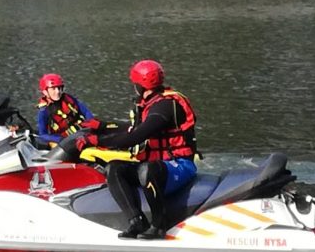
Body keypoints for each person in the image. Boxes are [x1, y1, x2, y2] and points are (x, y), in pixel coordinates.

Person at [74, 59, 199, 240]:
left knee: (146, 169)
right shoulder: (151, 103)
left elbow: (138, 136)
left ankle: (158, 225)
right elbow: (132, 128)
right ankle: (136, 221)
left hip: (180, 165)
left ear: (141, 85)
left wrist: (96, 141)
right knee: (115, 168)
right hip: (159, 166)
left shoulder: (165, 106)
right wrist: (101, 127)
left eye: (135, 84)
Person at [36, 73, 94, 148]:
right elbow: (43, 135)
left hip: (83, 131)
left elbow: (85, 111)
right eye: (53, 89)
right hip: (66, 141)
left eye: (59, 88)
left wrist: (92, 123)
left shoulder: (68, 99)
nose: (57, 92)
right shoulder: (43, 111)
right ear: (45, 92)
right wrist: (60, 139)